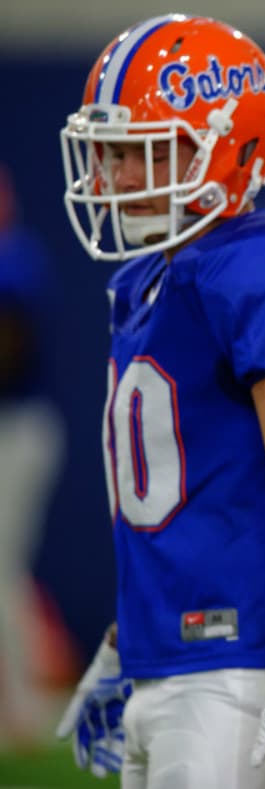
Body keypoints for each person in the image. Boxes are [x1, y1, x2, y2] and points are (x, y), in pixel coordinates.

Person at [55, 14, 265, 788]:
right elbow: (193, 498)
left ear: (227, 148)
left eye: (140, 152)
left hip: (240, 667)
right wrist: (124, 643)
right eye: (109, 151)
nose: (116, 176)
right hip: (172, 658)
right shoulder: (145, 279)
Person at [0, 162, 67, 747]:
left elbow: (10, 349)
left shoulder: (13, 260)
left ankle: (20, 708)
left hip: (15, 428)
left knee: (2, 570)